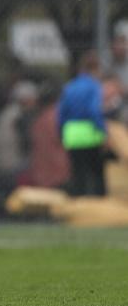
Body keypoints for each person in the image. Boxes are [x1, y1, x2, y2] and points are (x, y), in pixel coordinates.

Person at [58, 50, 107, 197]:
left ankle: (78, 204)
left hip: (71, 133)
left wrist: (61, 133)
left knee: (78, 172)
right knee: (96, 172)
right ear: (95, 69)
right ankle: (98, 205)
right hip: (89, 133)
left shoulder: (69, 87)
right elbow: (94, 111)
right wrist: (103, 130)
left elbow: (61, 113)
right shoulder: (93, 86)